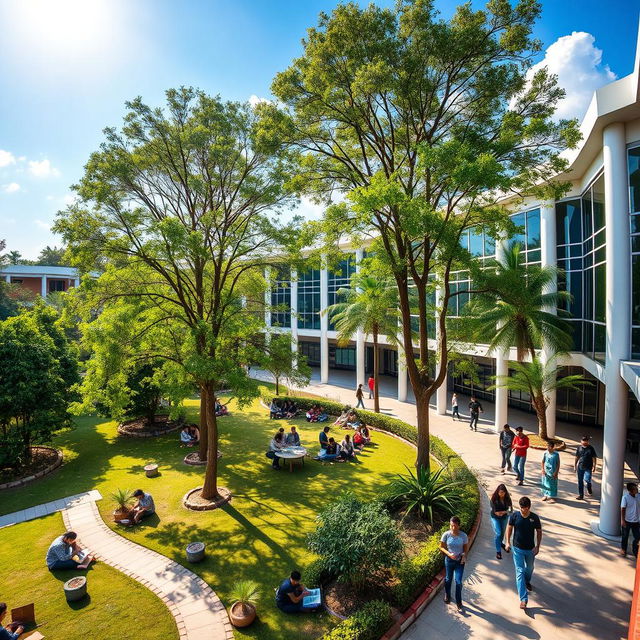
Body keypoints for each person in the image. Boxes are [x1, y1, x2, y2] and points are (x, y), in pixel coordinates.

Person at [505, 496, 542, 609]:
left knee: (529, 568)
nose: (523, 511)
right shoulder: (515, 516)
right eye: (521, 508)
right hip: (517, 549)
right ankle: (523, 599)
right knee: (520, 571)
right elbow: (509, 528)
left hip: (530, 549)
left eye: (525, 508)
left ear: (529, 507)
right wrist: (507, 542)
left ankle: (527, 581)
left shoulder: (534, 518)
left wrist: (537, 547)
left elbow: (539, 532)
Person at [439, 516, 468, 611]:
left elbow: (465, 549)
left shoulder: (463, 536)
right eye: (451, 526)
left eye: (455, 526)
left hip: (459, 562)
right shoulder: (446, 535)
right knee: (448, 579)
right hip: (449, 560)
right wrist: (448, 554)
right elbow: (441, 547)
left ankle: (459, 602)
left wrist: (464, 556)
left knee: (458, 582)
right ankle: (447, 594)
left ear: (459, 526)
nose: (453, 528)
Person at [490, 484, 513, 560]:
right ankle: (498, 551)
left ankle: (500, 543)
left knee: (502, 533)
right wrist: (505, 511)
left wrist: (504, 512)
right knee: (498, 533)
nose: (501, 494)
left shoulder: (508, 499)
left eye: (503, 492)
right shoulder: (494, 499)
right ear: (498, 492)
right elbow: (497, 513)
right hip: (495, 518)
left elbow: (510, 511)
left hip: (504, 518)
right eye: (500, 492)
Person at [574, 435, 597, 500]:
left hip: (588, 467)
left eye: (586, 441)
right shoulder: (579, 448)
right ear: (581, 441)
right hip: (580, 467)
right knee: (580, 481)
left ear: (588, 441)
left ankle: (589, 488)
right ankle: (581, 495)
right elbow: (577, 457)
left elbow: (594, 457)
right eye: (583, 441)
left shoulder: (591, 448)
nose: (585, 442)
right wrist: (575, 465)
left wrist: (594, 466)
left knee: (587, 479)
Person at [621, 482, 640, 557]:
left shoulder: (638, 496)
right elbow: (622, 509)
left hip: (636, 521)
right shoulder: (625, 498)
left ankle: (635, 551)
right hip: (627, 521)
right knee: (625, 536)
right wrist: (622, 520)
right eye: (635, 489)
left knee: (638, 537)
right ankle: (623, 549)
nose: (637, 490)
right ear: (631, 491)